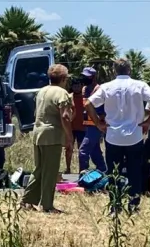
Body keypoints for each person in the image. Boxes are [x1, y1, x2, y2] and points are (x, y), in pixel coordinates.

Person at [85, 58, 150, 214]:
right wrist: (149, 121)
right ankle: (133, 205)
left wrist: (99, 123)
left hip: (113, 135)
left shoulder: (106, 87)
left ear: (114, 71)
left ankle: (115, 204)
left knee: (114, 172)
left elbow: (88, 104)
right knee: (135, 171)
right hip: (135, 135)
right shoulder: (140, 85)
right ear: (130, 70)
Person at [20, 64, 72, 214]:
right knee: (50, 171)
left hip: (38, 133)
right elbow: (65, 117)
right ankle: (47, 205)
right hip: (52, 135)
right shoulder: (62, 93)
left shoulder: (42, 91)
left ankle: (27, 200)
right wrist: (69, 137)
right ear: (63, 78)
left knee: (39, 169)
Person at [78, 67, 107, 173]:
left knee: (83, 150)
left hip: (96, 125)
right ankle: (103, 170)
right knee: (95, 151)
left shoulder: (99, 89)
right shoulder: (85, 89)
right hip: (87, 124)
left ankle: (83, 173)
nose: (84, 78)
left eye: (87, 76)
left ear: (93, 77)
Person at [65, 79, 86, 174]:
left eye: (78, 85)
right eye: (75, 85)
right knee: (69, 149)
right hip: (71, 128)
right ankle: (68, 168)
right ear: (72, 86)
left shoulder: (85, 98)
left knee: (82, 150)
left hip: (82, 128)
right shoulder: (69, 97)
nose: (76, 87)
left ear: (81, 85)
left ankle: (82, 170)